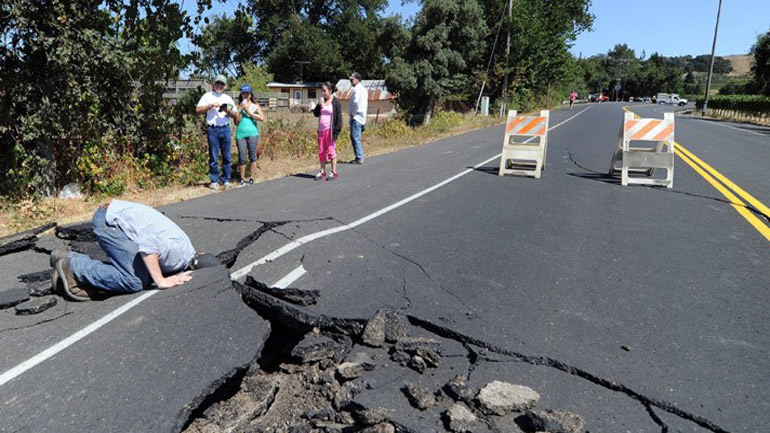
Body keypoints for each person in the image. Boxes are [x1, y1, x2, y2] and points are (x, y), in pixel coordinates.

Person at [50, 200, 220, 302]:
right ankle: (72, 266)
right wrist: (161, 280)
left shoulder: (187, 249)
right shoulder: (177, 255)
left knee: (144, 273)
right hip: (109, 222)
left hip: (116, 217)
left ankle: (67, 258)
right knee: (135, 281)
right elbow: (148, 245)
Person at [196, 74, 238, 190]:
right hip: (213, 129)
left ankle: (226, 180)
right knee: (214, 156)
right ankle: (214, 181)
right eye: (218, 83)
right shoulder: (207, 96)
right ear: (214, 84)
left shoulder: (228, 98)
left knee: (227, 156)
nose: (219, 86)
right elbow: (198, 109)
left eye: (222, 84)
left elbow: (235, 114)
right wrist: (210, 106)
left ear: (225, 86)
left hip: (225, 128)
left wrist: (228, 111)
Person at [233, 84, 265, 186]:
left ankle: (251, 177)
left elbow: (262, 118)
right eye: (243, 93)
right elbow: (236, 122)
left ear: (250, 94)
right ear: (241, 95)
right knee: (242, 157)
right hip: (241, 134)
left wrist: (249, 112)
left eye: (247, 93)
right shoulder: (238, 106)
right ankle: (241, 178)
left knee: (252, 156)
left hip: (252, 134)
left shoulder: (255, 106)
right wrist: (242, 110)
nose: (245, 95)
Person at [312, 82, 342, 181]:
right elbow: (316, 114)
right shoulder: (322, 101)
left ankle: (333, 171)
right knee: (321, 151)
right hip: (321, 130)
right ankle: (322, 171)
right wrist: (318, 105)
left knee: (331, 151)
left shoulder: (336, 103)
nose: (323, 93)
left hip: (330, 131)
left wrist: (336, 133)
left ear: (330, 90)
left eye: (325, 91)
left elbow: (339, 119)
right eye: (322, 91)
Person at [348, 72, 368, 164]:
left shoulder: (357, 89)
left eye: (352, 79)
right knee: (356, 137)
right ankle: (358, 157)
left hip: (356, 117)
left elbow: (356, 102)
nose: (351, 81)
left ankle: (359, 157)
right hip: (361, 117)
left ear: (358, 80)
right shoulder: (363, 89)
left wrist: (353, 113)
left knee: (355, 137)